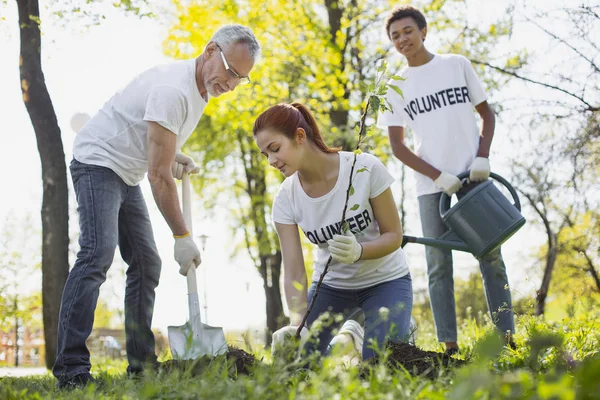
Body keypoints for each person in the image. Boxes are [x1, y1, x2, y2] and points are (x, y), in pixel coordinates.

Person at [53, 24, 261, 389]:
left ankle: (141, 366)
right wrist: (182, 235)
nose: (230, 84)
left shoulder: (200, 92)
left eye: (240, 79)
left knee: (147, 263)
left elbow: (153, 139)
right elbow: (159, 177)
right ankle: (70, 369)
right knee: (97, 253)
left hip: (127, 170)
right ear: (211, 50)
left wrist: (173, 153)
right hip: (98, 161)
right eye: (230, 72)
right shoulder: (173, 89)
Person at [377, 6, 515, 356]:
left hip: (475, 177)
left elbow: (486, 112)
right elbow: (397, 145)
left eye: (407, 31)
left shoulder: (456, 64)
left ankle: (507, 337)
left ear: (423, 31)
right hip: (431, 185)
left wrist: (482, 156)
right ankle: (449, 345)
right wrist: (438, 175)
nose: (402, 39)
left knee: (491, 255)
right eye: (394, 36)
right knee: (438, 264)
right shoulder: (397, 86)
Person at [254, 103, 413, 361]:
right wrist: (298, 323)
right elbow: (294, 270)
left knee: (382, 363)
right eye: (265, 155)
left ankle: (364, 338)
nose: (271, 161)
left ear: (300, 136)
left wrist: (360, 251)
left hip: (385, 280)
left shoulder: (364, 169)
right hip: (331, 287)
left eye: (274, 149)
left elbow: (394, 236)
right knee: (298, 362)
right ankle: (345, 344)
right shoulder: (286, 198)